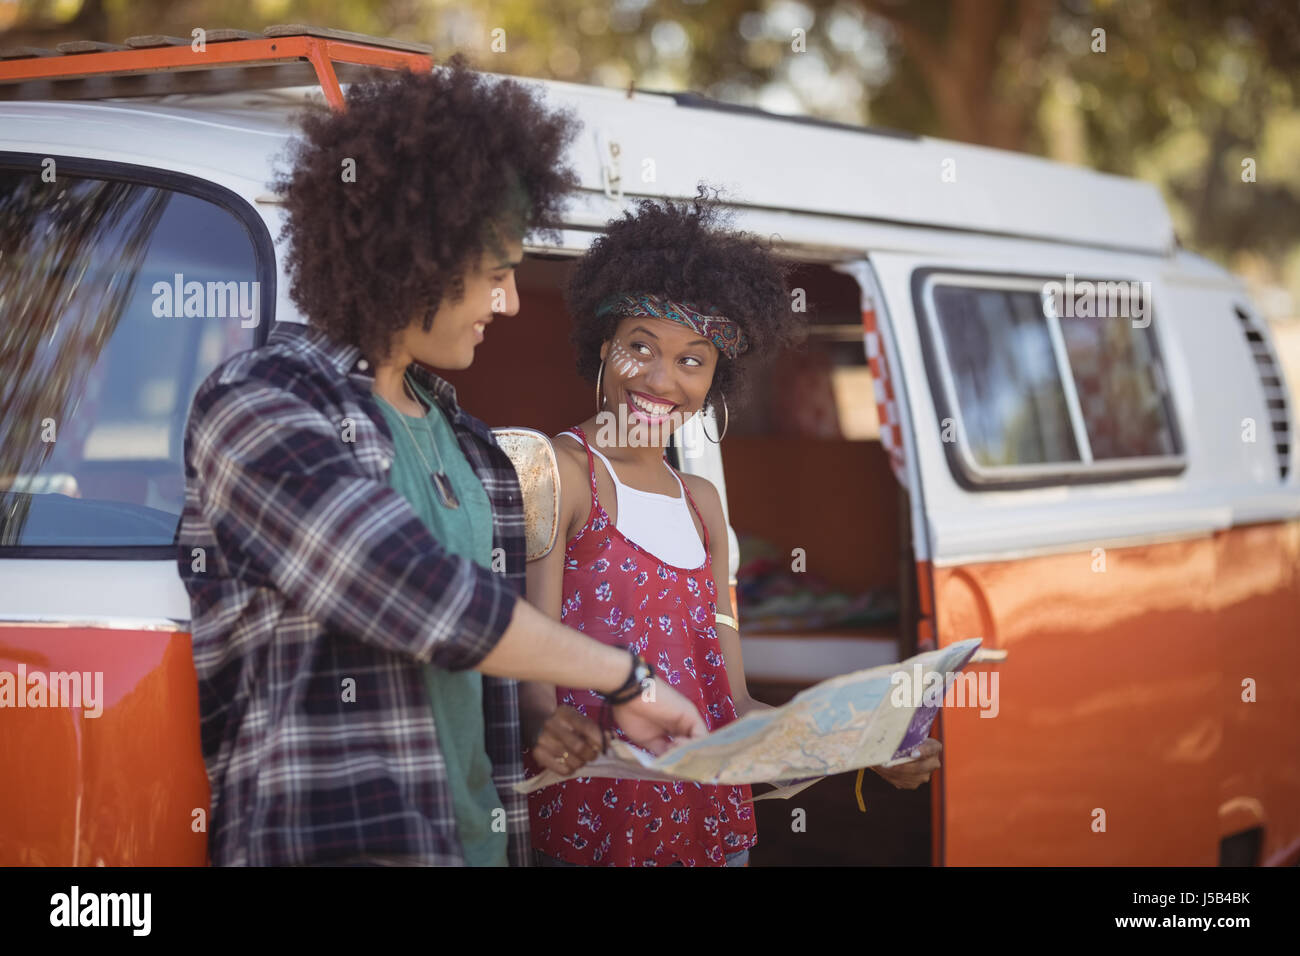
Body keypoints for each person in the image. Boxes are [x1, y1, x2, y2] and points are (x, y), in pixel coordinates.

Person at [177, 60, 705, 868]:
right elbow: (411, 591)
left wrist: (537, 725)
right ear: (411, 262)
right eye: (494, 275)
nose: (511, 304)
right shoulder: (262, 403)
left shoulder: (475, 451)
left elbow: (472, 678)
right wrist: (625, 678)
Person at [521, 190, 943, 866]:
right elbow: (530, 688)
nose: (662, 378)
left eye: (692, 359)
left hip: (709, 831)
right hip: (592, 832)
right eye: (640, 346)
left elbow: (735, 704)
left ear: (717, 378)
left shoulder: (702, 503)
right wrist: (552, 727)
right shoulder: (564, 471)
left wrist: (865, 745)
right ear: (603, 348)